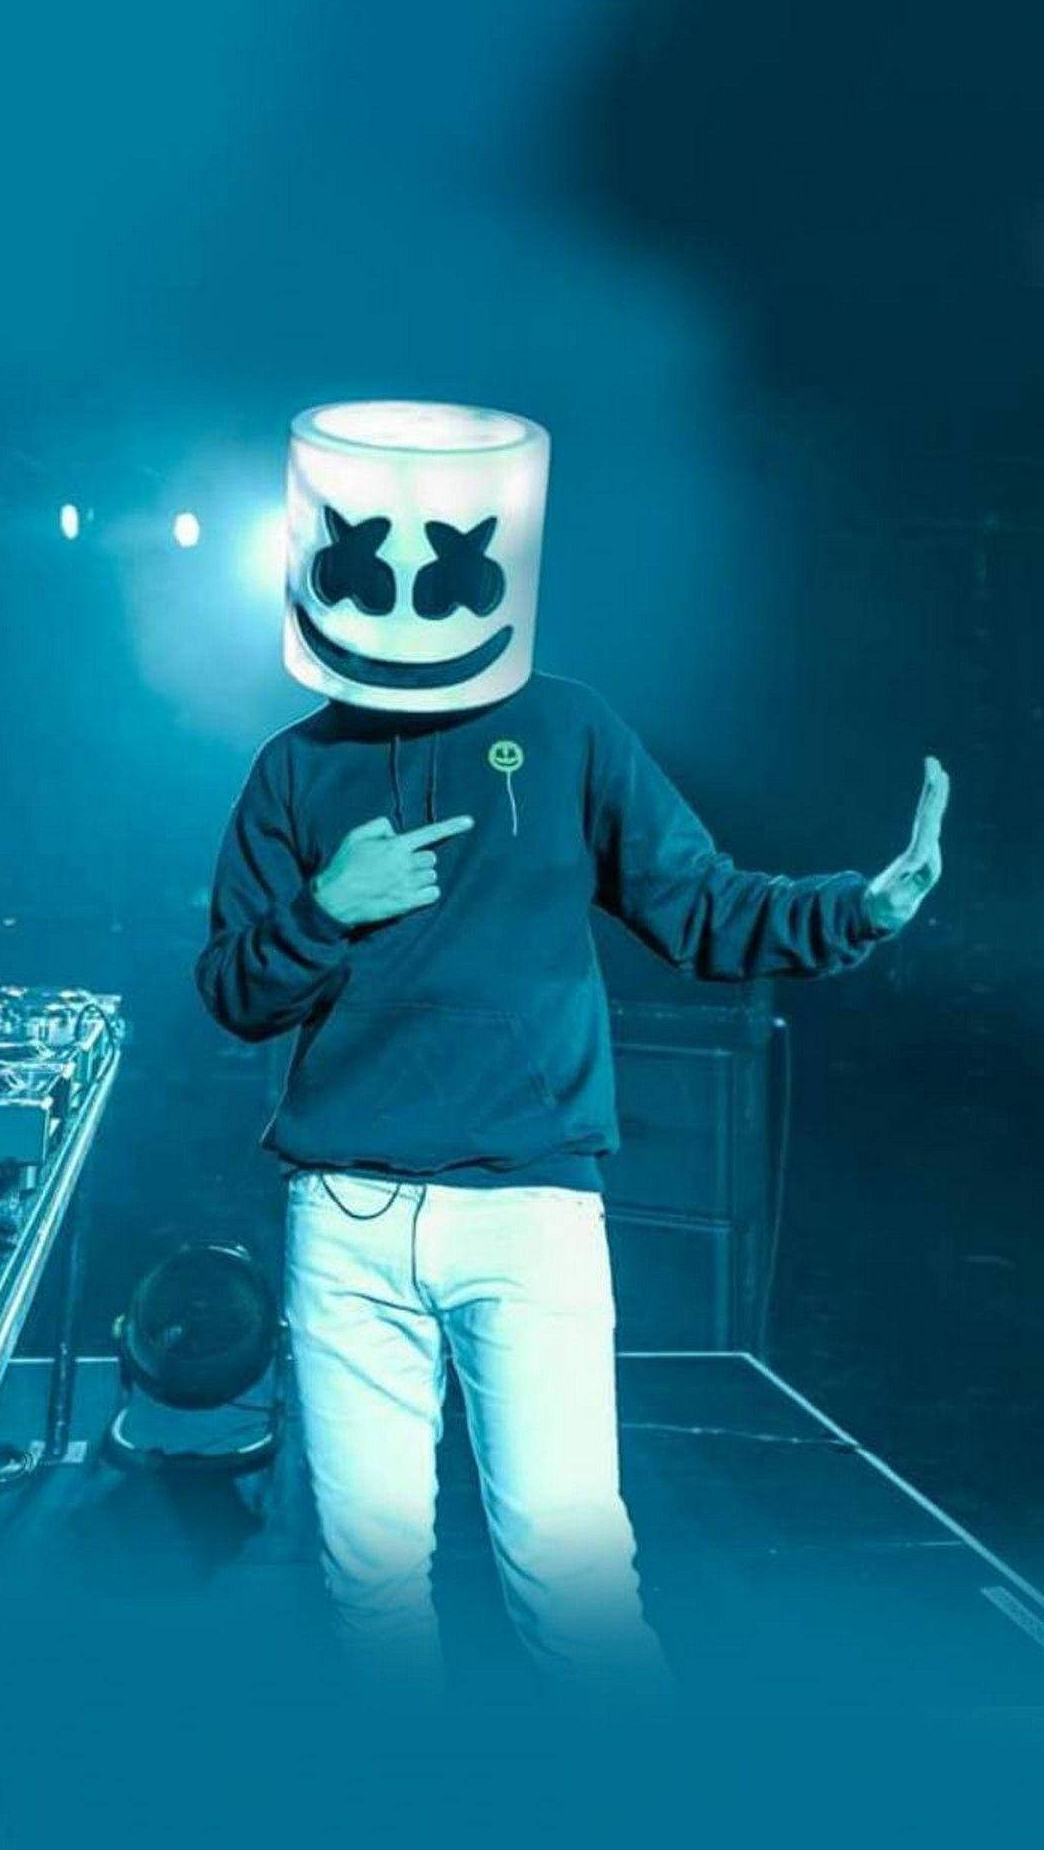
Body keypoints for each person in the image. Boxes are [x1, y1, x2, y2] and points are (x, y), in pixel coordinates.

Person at [194, 399, 950, 1711]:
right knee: (367, 1585)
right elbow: (231, 992)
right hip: (347, 1213)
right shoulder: (291, 769)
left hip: (530, 1211)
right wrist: (328, 907)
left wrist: (861, 909)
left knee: (573, 1572)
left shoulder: (569, 732)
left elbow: (700, 905)